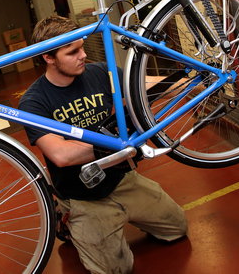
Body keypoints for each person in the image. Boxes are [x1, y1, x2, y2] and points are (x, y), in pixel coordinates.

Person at [18, 16, 188, 274]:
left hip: (122, 180)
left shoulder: (99, 73)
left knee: (177, 229)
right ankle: (66, 218)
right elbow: (61, 155)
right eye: (73, 51)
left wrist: (194, 80)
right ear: (48, 58)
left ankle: (124, 214)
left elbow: (147, 85)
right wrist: (117, 143)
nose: (83, 55)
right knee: (116, 269)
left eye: (82, 47)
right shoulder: (34, 101)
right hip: (83, 196)